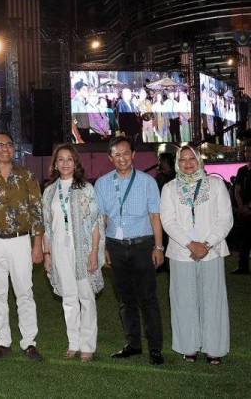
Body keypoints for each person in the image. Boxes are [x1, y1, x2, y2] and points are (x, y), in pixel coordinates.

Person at [0, 131, 44, 362]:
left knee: (25, 292)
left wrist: (37, 244)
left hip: (21, 241)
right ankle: (3, 342)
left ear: (14, 149)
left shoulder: (27, 176)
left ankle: (29, 342)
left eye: (9, 145)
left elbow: (37, 212)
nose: (5, 148)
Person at [94, 136, 165, 365]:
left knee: (148, 299)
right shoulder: (102, 183)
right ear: (110, 158)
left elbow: (155, 216)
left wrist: (158, 247)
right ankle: (133, 344)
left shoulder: (147, 182)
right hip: (115, 246)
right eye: (117, 154)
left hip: (143, 245)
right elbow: (101, 218)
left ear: (133, 154)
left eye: (125, 153)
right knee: (125, 300)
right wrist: (103, 247)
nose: (122, 158)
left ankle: (155, 348)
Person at [160, 144, 232, 365]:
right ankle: (188, 347)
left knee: (213, 300)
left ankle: (214, 349)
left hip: (212, 252)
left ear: (199, 160)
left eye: (192, 158)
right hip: (182, 253)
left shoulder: (216, 185)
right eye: (183, 160)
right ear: (177, 164)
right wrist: (191, 245)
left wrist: (206, 244)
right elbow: (168, 221)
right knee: (184, 300)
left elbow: (225, 219)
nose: (188, 163)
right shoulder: (170, 188)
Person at [42, 144, 104, 362]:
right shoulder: (49, 191)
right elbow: (47, 227)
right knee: (69, 298)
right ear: (55, 164)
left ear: (75, 163)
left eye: (69, 159)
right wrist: (47, 255)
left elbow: (96, 224)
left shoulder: (86, 188)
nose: (65, 163)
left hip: (83, 248)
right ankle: (73, 343)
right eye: (61, 159)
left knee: (86, 296)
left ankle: (88, 345)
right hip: (59, 248)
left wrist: (94, 252)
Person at [233, 144, 251, 274]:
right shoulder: (242, 171)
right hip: (243, 211)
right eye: (246, 151)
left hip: (248, 208)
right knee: (243, 240)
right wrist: (240, 206)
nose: (247, 154)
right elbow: (237, 190)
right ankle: (242, 266)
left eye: (249, 151)